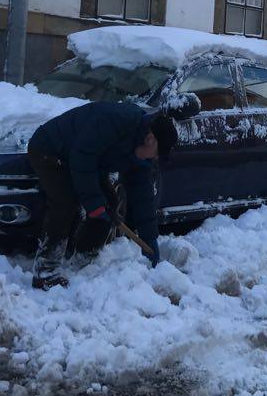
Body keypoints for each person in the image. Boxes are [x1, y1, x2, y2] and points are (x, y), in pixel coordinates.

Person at [26, 101, 179, 290]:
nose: (153, 159)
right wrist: (94, 203)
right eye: (155, 155)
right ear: (150, 139)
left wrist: (149, 238)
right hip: (50, 149)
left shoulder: (141, 154)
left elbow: (142, 194)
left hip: (85, 161)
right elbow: (83, 156)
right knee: (65, 203)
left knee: (109, 205)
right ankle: (44, 272)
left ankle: (83, 258)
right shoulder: (118, 120)